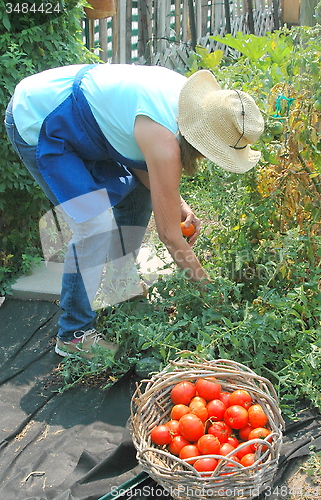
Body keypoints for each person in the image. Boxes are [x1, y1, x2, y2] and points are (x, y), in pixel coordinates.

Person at [5, 63, 264, 360]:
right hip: (42, 117)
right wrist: (210, 294)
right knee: (94, 225)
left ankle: (118, 287)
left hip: (84, 120)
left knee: (137, 195)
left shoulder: (189, 106)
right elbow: (169, 236)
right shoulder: (165, 138)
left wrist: (176, 204)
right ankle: (74, 335)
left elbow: (142, 165)